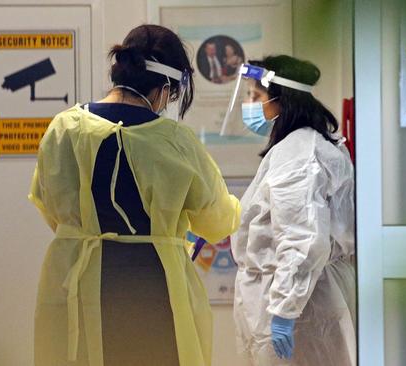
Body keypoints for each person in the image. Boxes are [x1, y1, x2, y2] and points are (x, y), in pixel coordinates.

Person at [29, 24, 240, 366]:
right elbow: (216, 221)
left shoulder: (64, 128)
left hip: (77, 283)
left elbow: (50, 207)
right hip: (154, 289)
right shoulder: (174, 141)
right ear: (166, 88)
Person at [228, 55, 356, 365]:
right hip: (296, 295)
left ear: (280, 98)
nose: (250, 104)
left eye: (255, 96)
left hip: (300, 306)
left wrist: (285, 310)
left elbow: (301, 237)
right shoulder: (302, 146)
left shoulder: (298, 153)